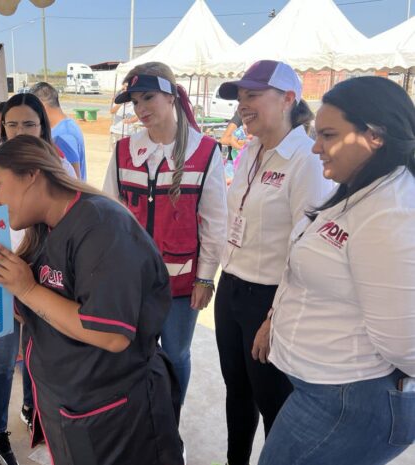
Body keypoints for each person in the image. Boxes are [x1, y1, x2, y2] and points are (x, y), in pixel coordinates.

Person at [0, 135, 185, 465]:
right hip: (71, 406)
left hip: (115, 414)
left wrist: (27, 289)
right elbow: (41, 312)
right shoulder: (46, 229)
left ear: (32, 174)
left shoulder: (102, 225)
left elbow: (111, 334)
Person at [254, 76, 415, 465]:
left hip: (349, 398)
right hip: (328, 389)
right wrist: (275, 317)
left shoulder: (390, 212)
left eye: (327, 135)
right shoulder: (360, 188)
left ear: (374, 136)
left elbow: (404, 341)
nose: (316, 146)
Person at [214, 60, 333, 465]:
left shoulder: (306, 158)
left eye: (252, 95)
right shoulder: (250, 150)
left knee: (274, 404)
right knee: (237, 392)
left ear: (287, 98)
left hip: (269, 298)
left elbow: (310, 249)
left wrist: (274, 316)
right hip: (231, 288)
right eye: (240, 97)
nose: (243, 105)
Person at [102, 62, 227, 420]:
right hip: (133, 282)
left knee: (175, 355)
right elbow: (111, 214)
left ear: (171, 95)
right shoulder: (123, 151)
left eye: (148, 98)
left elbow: (214, 221)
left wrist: (205, 277)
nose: (141, 109)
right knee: (134, 353)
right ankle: (142, 422)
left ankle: (169, 423)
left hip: (182, 283)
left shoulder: (205, 152)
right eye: (135, 101)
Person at [0, 91, 75, 465]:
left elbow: (68, 223)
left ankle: (36, 414)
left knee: (39, 354)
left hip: (47, 280)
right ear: (1, 126)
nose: (20, 131)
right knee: (2, 359)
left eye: (29, 124)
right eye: (12, 124)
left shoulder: (59, 166)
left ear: (42, 126)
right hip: (1, 275)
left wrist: (34, 282)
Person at [30, 82, 87, 179]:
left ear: (41, 106)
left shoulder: (64, 135)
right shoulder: (65, 126)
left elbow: (72, 180)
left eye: (32, 108)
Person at [109, 82, 139, 148]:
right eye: (124, 87)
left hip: (128, 133)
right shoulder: (117, 101)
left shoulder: (134, 103)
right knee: (115, 154)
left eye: (127, 87)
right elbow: (112, 111)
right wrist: (121, 101)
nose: (125, 89)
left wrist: (130, 120)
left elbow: (137, 117)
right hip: (116, 131)